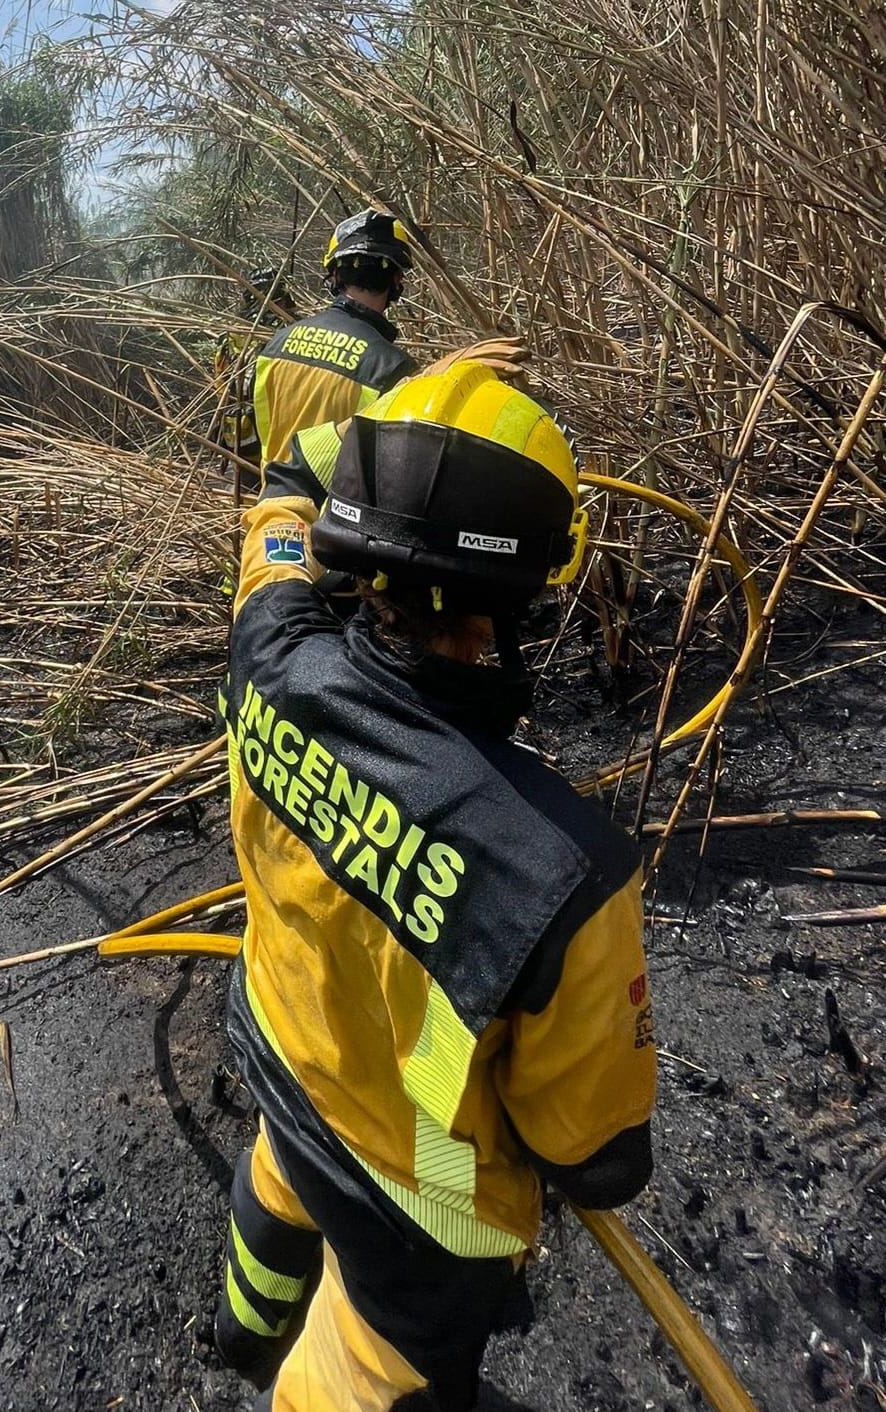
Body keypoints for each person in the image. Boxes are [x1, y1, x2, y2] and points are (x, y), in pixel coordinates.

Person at [214, 360, 657, 1411]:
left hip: (278, 1047)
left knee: (280, 1175)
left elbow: (274, 515)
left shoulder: (270, 643)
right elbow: (589, 1155)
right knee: (361, 1373)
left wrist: (385, 432)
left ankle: (240, 1324)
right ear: (515, 600)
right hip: (419, 1201)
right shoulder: (561, 871)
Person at [251, 210, 421, 471]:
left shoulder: (277, 344)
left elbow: (264, 432)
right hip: (336, 511)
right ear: (397, 280)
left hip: (275, 506)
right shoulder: (393, 368)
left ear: (335, 276)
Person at [213, 266, 298, 474]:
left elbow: (220, 387)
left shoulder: (232, 336)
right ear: (281, 300)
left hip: (238, 439)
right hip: (275, 446)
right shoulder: (291, 336)